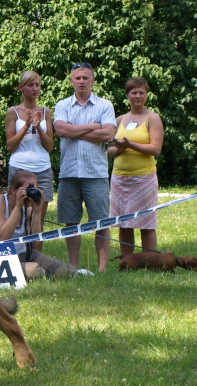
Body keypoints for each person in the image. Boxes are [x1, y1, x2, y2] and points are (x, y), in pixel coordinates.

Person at [53, 62, 116, 272]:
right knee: (71, 224)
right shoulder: (62, 105)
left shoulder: (105, 105)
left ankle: (102, 269)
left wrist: (74, 130)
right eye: (77, 78)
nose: (81, 81)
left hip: (95, 172)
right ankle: (73, 267)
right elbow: (61, 129)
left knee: (101, 223)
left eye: (85, 78)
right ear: (71, 81)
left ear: (93, 81)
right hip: (69, 172)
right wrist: (93, 127)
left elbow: (108, 134)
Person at [0, 170, 80, 279]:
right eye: (27, 190)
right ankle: (45, 274)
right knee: (36, 271)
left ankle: (63, 273)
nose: (30, 194)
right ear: (13, 190)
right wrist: (18, 207)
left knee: (67, 271)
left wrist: (37, 212)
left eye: (34, 189)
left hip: (23, 254)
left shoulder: (26, 210)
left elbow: (35, 244)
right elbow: (3, 237)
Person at [107, 77, 163, 255]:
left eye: (141, 92)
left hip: (144, 178)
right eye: (133, 92)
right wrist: (119, 149)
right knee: (123, 223)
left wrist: (130, 145)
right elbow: (107, 150)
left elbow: (155, 149)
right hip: (119, 178)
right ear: (127, 95)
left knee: (146, 223)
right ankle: (128, 261)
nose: (137, 96)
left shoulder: (152, 118)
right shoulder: (119, 120)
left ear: (146, 95)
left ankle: (149, 261)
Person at [5, 71, 54, 251]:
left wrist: (38, 127)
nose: (35, 89)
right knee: (16, 214)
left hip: (43, 169)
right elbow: (10, 146)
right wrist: (26, 126)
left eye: (37, 85)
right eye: (30, 85)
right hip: (19, 169)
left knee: (38, 216)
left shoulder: (46, 112)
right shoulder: (13, 112)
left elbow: (50, 146)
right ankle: (16, 256)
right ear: (21, 88)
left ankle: (36, 258)